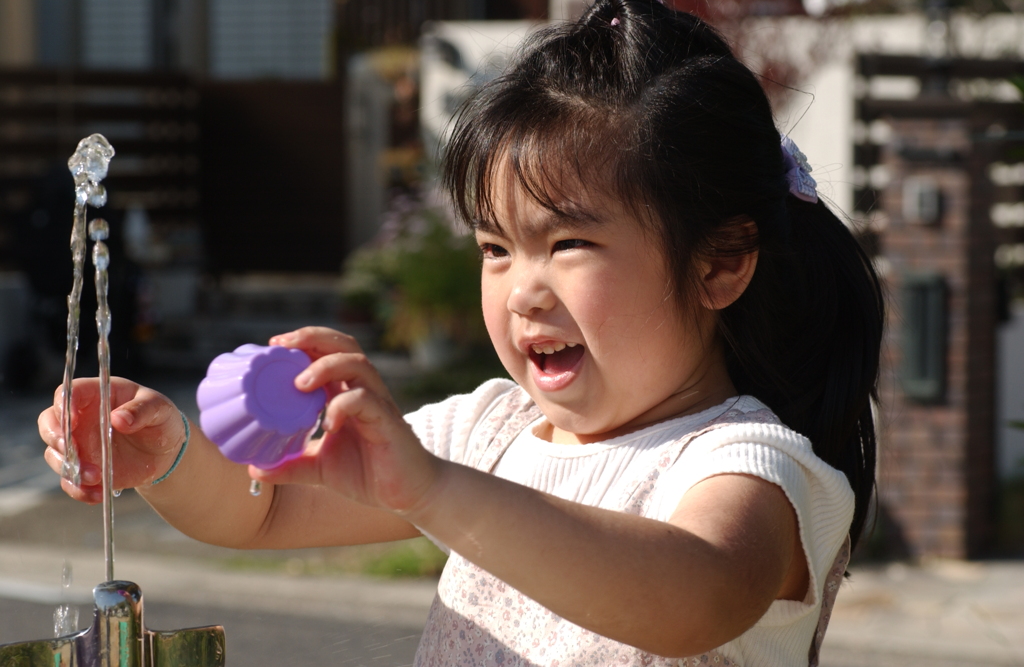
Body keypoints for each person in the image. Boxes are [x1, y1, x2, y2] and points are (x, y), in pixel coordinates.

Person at [39, 1, 884, 665]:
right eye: (495, 248)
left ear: (720, 264)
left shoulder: (748, 465)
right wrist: (171, 454)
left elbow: (692, 594)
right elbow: (263, 513)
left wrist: (434, 489)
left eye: (568, 243)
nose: (523, 290)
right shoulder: (493, 430)